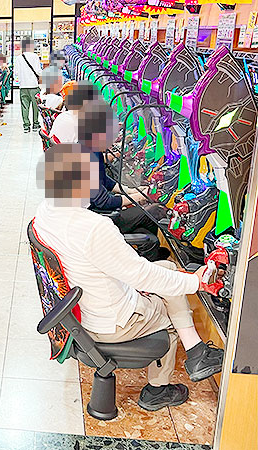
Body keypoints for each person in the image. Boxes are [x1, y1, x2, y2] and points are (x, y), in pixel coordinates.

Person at [34, 143, 224, 412]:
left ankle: (196, 352)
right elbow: (142, 276)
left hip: (78, 310)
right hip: (111, 321)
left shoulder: (45, 212)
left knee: (168, 268)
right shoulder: (93, 228)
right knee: (171, 312)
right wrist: (197, 282)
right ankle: (158, 390)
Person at [77, 99, 170, 262]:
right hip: (98, 218)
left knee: (149, 234)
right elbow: (104, 202)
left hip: (93, 213)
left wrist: (131, 190)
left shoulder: (87, 147)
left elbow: (104, 181)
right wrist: (140, 196)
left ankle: (150, 254)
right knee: (155, 210)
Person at [14, 38, 42, 133]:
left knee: (24, 106)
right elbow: (38, 71)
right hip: (34, 86)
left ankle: (26, 126)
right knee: (35, 106)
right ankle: (35, 124)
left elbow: (16, 73)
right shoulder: (35, 56)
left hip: (23, 86)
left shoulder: (19, 58)